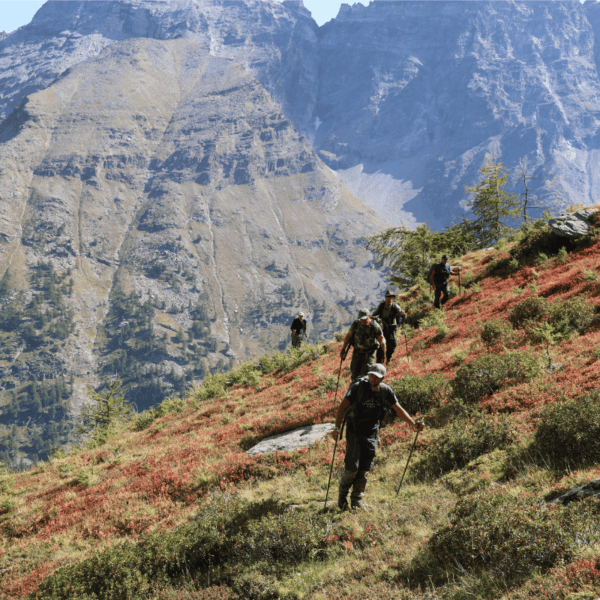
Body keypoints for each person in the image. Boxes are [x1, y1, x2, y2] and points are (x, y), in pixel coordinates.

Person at [331, 363, 424, 510]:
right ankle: (342, 500)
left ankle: (357, 502)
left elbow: (398, 409)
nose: (373, 378)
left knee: (365, 469)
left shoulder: (386, 391)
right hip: (354, 431)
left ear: (382, 378)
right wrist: (337, 428)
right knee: (352, 468)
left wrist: (413, 424)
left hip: (371, 433)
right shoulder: (358, 387)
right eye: (371, 375)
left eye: (376, 376)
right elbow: (342, 407)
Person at [340, 310, 385, 381]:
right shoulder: (356, 324)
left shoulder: (375, 325)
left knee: (365, 374)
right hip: (357, 353)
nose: (363, 321)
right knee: (354, 373)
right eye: (361, 319)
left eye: (365, 319)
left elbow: (381, 340)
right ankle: (354, 389)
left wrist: (383, 355)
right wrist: (343, 349)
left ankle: (363, 390)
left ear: (369, 316)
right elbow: (348, 336)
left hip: (369, 353)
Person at [373, 290, 406, 364]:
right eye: (387, 296)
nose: (388, 298)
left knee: (393, 343)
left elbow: (402, 315)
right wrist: (375, 318)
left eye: (390, 297)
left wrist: (403, 316)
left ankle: (388, 359)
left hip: (391, 328)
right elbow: (374, 314)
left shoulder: (395, 306)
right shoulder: (381, 306)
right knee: (380, 344)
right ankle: (379, 361)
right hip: (382, 328)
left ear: (392, 298)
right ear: (385, 297)